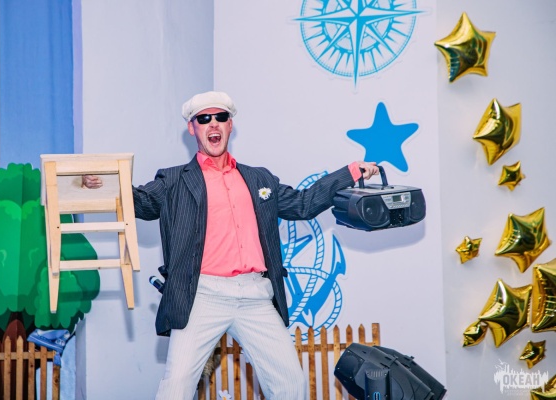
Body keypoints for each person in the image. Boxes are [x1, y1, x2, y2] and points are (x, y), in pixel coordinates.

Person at [83, 91, 379, 399]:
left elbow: (303, 204)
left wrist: (350, 173)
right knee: (177, 386)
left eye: (221, 117)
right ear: (192, 128)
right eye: (203, 119)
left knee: (291, 384)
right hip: (202, 296)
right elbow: (143, 203)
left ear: (230, 125)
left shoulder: (259, 179)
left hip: (255, 296)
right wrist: (107, 185)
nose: (213, 124)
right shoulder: (174, 180)